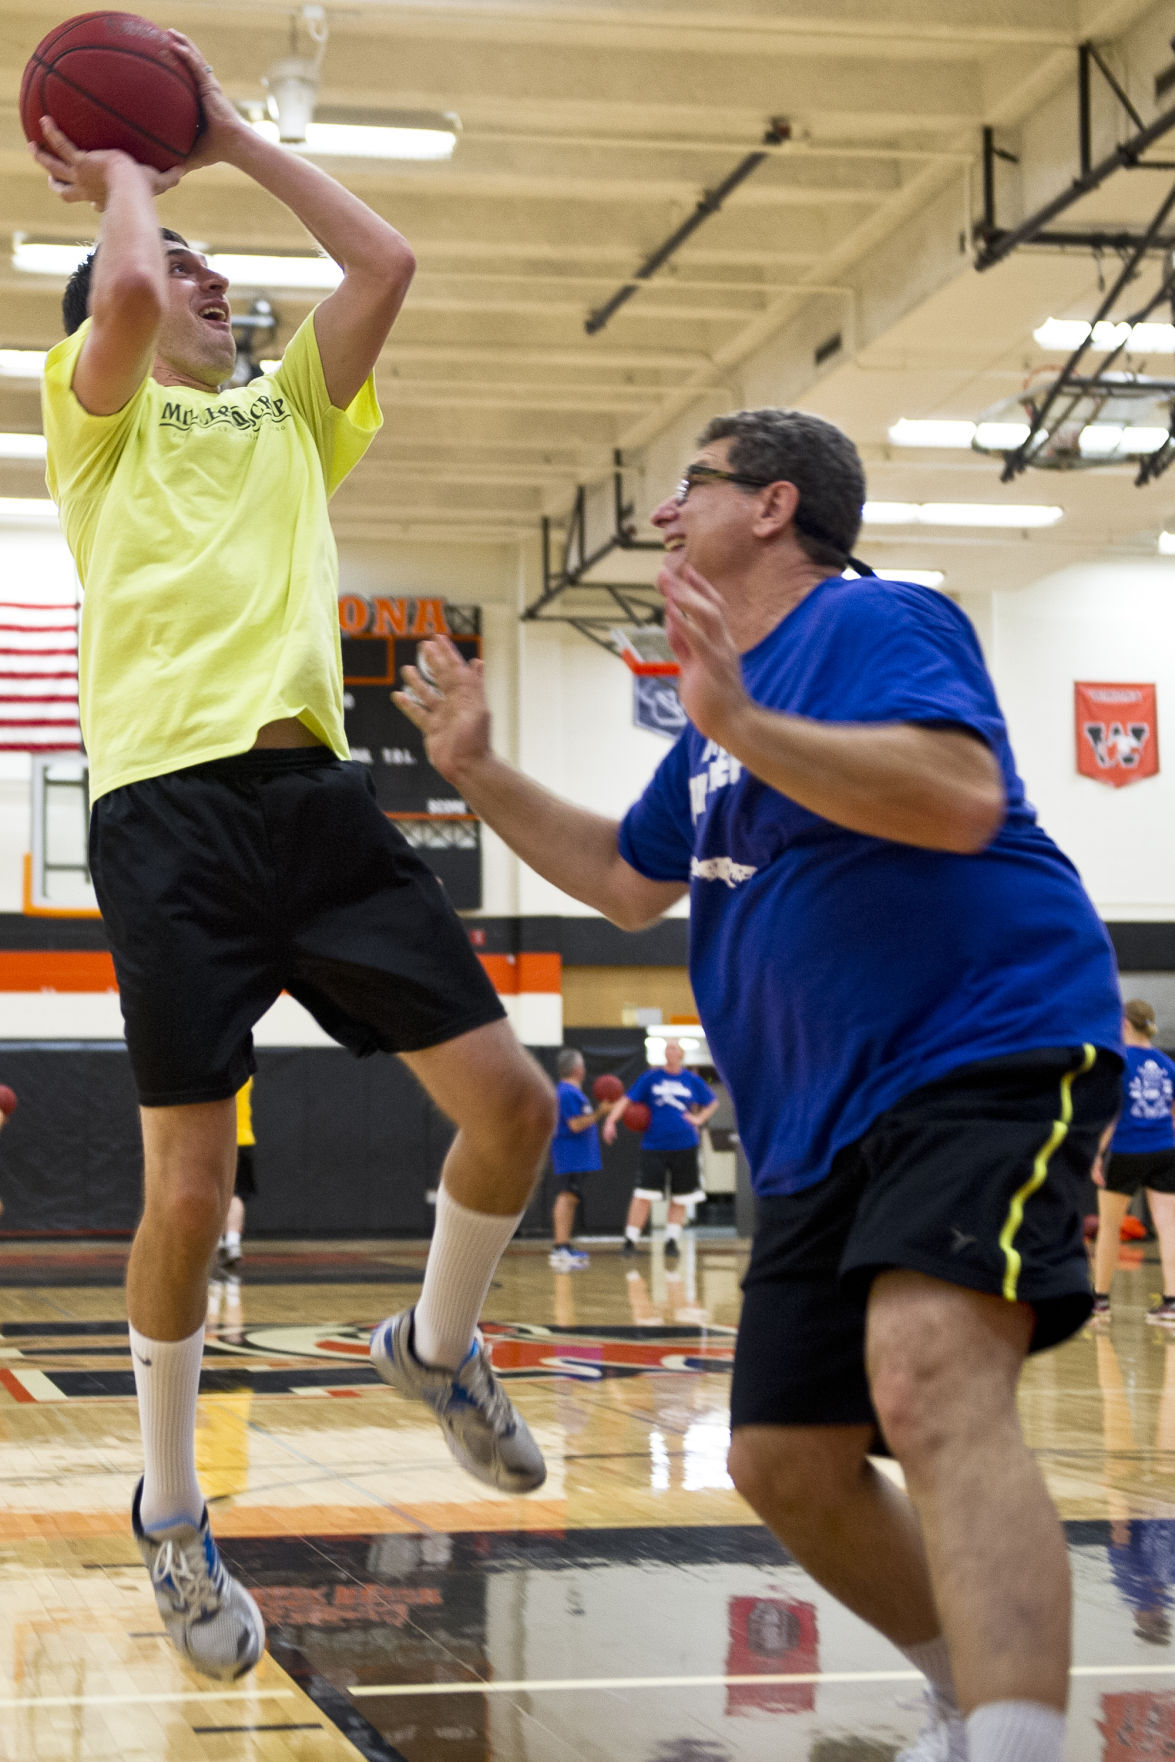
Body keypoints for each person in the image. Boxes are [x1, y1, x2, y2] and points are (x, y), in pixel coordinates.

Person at [392, 407, 1124, 1762]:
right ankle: (964, 1700)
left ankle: (1019, 1744)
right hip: (815, 1125)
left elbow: (957, 795)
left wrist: (738, 714)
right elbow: (624, 879)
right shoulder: (723, 717)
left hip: (975, 1050)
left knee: (925, 1374)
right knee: (782, 1458)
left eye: (692, 485)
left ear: (774, 504)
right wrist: (479, 771)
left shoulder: (873, 619)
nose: (665, 513)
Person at [35, 34, 555, 1685]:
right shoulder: (94, 428)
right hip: (167, 821)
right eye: (179, 268)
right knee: (188, 1185)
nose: (203, 282)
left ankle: (436, 1343)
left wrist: (229, 137)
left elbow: (385, 258)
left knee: (518, 1106)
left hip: (314, 810)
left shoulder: (282, 425)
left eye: (206, 268)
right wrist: (121, 167)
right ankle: (175, 1509)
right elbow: (116, 306)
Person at [1091, 1000, 1175, 1324]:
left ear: (1125, 1024)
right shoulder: (1168, 1065)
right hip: (1165, 1149)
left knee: (1110, 1226)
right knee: (1168, 1227)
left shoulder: (1120, 1063)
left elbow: (1111, 1116)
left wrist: (1096, 1155)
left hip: (1127, 1150)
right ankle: (1171, 1301)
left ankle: (1100, 1300)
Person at [603, 1039, 716, 1258]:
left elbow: (712, 1102)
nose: (669, 1050)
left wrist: (699, 1118)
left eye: (673, 1047)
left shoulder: (691, 1080)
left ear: (681, 1054)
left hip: (685, 1145)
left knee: (681, 1196)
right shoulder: (651, 1078)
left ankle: (672, 1240)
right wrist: (610, 1121)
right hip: (654, 1145)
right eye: (666, 1047)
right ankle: (630, 1240)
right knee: (643, 1194)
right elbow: (627, 1100)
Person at [549, 1048, 608, 1269]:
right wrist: (600, 1112)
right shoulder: (567, 1093)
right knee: (566, 1197)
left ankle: (564, 1245)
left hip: (577, 1156)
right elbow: (575, 1125)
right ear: (577, 1069)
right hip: (570, 1155)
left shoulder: (569, 1092)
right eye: (582, 1064)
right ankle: (560, 1248)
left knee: (571, 1198)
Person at [217, 1076, 255, 1274]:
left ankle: (216, 1242)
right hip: (243, 1140)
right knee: (236, 1194)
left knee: (215, 1193)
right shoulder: (245, 1074)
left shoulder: (214, 1071)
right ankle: (233, 1243)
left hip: (216, 1139)